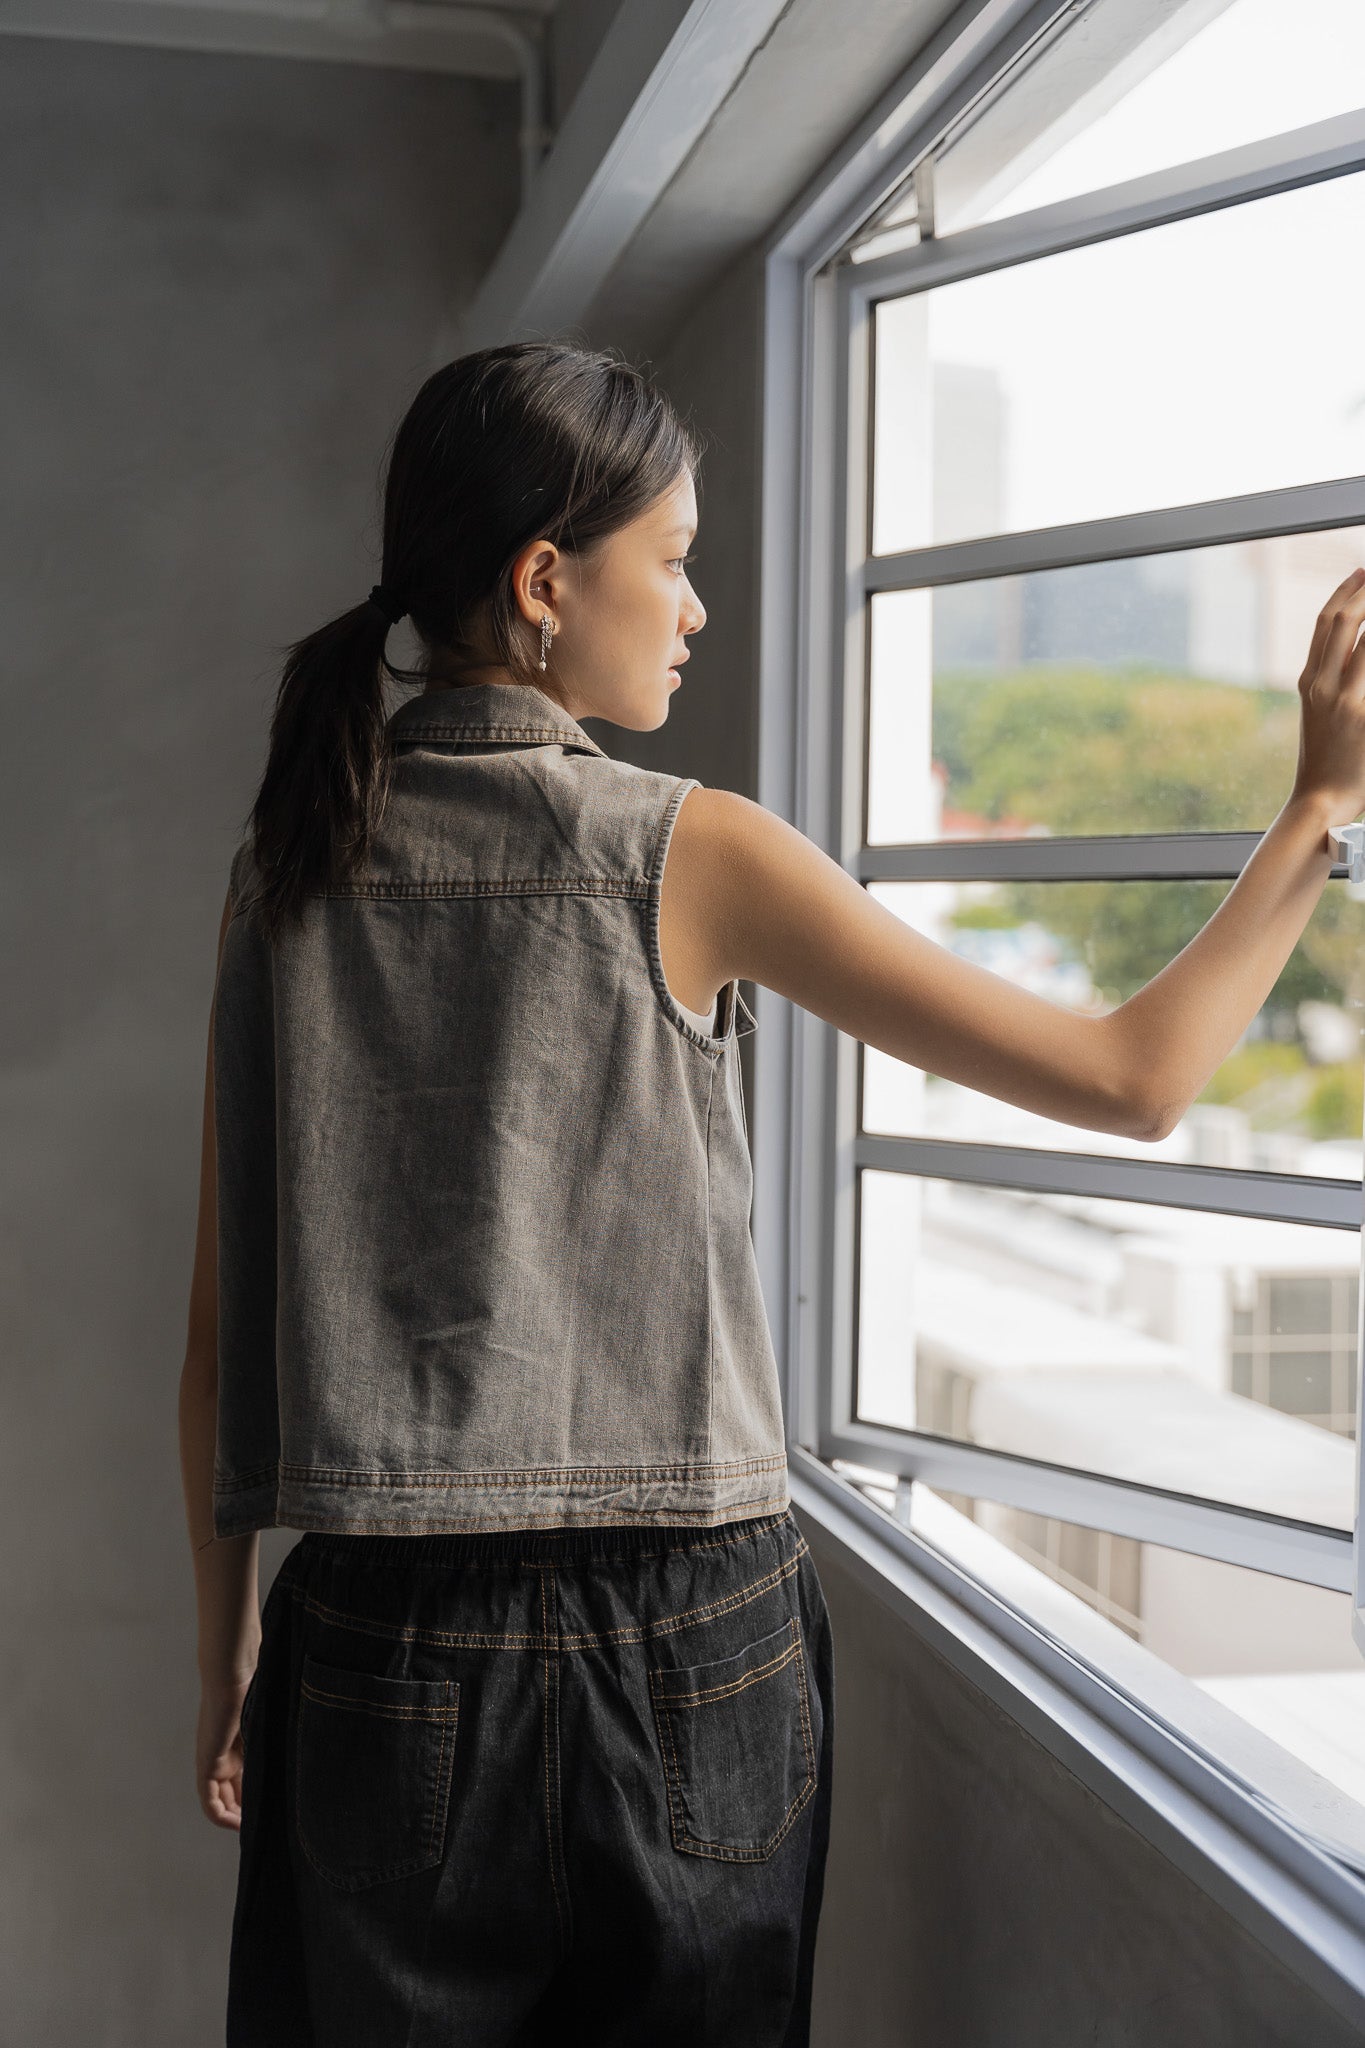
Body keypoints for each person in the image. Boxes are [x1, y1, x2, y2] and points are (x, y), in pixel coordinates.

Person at [178, 337, 1365, 2046]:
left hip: (378, 1639)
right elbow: (1134, 1079)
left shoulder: (282, 870)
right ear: (540, 583)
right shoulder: (688, 849)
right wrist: (1316, 807)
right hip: (688, 1647)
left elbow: (220, 1337)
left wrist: (224, 1660)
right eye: (670, 561)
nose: (695, 607)